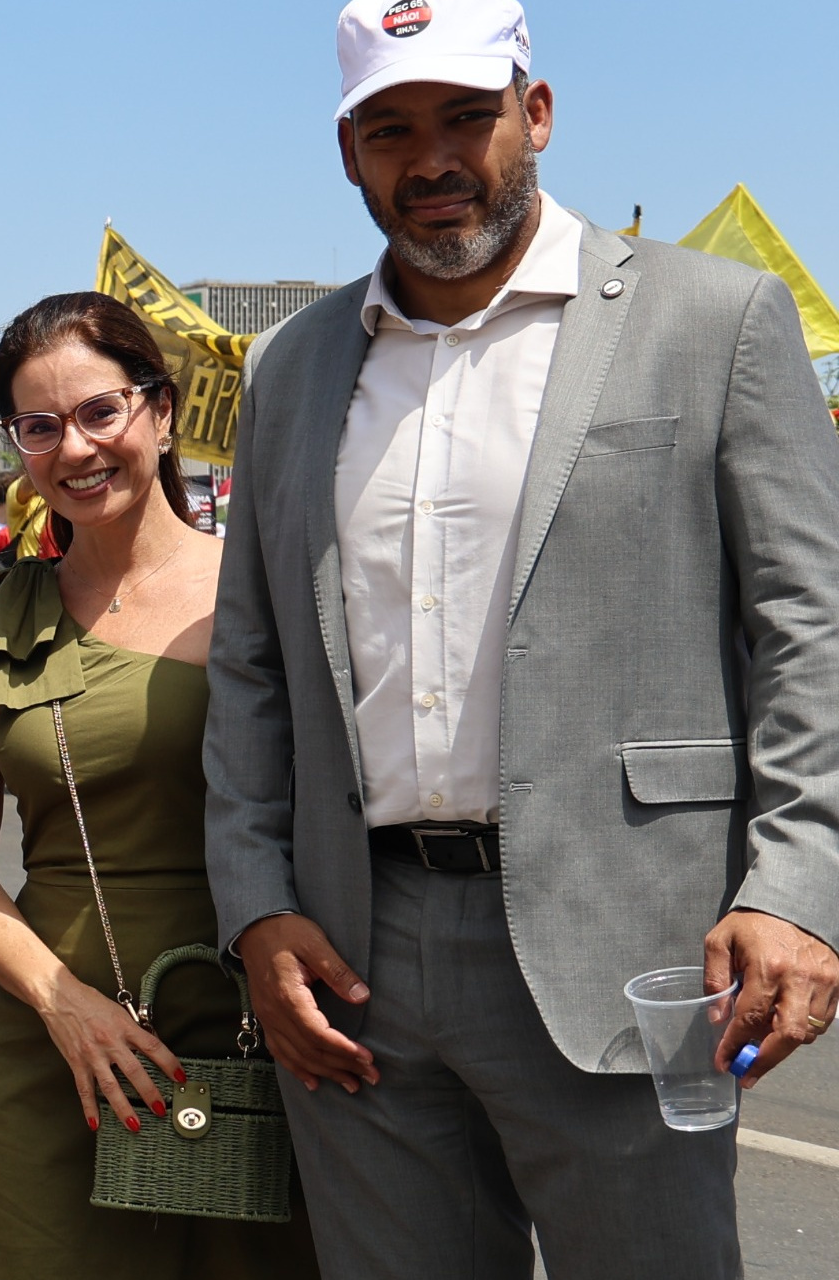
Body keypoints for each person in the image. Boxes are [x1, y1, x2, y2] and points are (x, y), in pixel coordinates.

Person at [207, 5, 839, 1276]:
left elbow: (808, 630)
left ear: (535, 114)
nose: (431, 159)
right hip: (356, 955)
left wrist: (793, 887)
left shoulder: (711, 319)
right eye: (390, 129)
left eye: (465, 117)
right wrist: (257, 905)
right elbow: (251, 665)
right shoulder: (290, 366)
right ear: (347, 150)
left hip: (632, 939)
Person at [0, 293, 319, 1278]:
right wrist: (61, 1002)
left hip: (250, 1032)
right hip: (55, 1044)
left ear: (162, 409)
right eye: (39, 426)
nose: (75, 448)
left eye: (101, 411)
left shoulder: (263, 592)